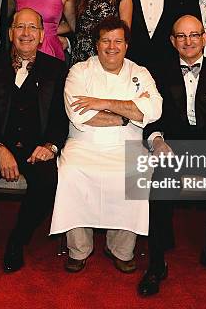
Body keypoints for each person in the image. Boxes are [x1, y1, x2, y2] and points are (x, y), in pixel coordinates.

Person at [50, 16, 162, 273]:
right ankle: (79, 249)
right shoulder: (79, 71)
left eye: (118, 41)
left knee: (137, 171)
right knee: (71, 171)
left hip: (127, 144)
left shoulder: (140, 73)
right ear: (96, 44)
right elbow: (79, 116)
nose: (112, 47)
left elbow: (154, 109)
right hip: (83, 143)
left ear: (126, 45)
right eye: (106, 41)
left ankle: (121, 249)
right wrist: (129, 114)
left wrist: (102, 102)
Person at [0, 8, 68, 278]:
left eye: (32, 28)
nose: (25, 33)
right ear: (10, 32)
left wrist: (50, 146)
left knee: (48, 181)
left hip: (37, 149)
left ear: (41, 35)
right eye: (20, 27)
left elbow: (62, 118)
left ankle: (17, 239)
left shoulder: (57, 69)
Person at [138, 15, 206, 295]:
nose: (188, 41)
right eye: (181, 36)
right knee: (159, 187)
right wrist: (157, 142)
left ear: (204, 37)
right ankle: (156, 263)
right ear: (172, 41)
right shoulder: (157, 72)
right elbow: (151, 117)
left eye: (194, 35)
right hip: (174, 147)